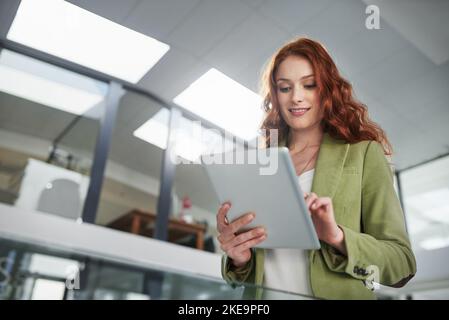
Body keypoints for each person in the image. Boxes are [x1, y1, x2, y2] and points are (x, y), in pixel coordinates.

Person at [216, 37, 416, 300]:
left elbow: (402, 264)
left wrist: (336, 236)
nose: (296, 97)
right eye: (284, 88)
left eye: (309, 85)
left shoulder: (363, 152)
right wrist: (239, 257)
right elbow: (254, 272)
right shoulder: (262, 161)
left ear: (327, 89)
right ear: (275, 95)